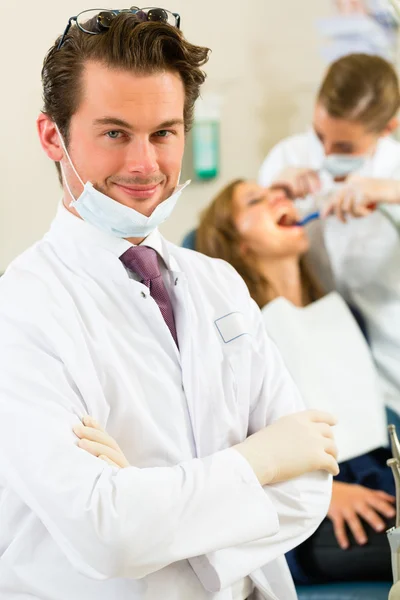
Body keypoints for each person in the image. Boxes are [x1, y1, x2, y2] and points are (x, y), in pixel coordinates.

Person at [0, 8, 339, 600]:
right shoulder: (23, 309)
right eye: (114, 133)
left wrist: (144, 496)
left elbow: (308, 486)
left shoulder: (220, 283)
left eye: (163, 132)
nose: (144, 165)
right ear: (53, 135)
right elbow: (107, 535)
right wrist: (258, 462)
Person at [194, 179, 396, 584]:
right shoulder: (232, 338)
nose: (278, 198)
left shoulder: (342, 315)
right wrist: (325, 497)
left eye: (279, 194)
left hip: (377, 483)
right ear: (237, 243)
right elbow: (222, 445)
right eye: (256, 200)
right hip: (309, 513)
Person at [258, 52, 400, 421]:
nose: (324, 154)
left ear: (388, 128)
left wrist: (391, 192)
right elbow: (251, 239)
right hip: (310, 350)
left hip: (389, 356)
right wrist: (272, 192)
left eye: (345, 147)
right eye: (320, 136)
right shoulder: (288, 157)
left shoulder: (393, 172)